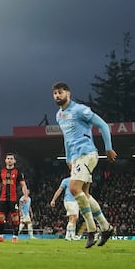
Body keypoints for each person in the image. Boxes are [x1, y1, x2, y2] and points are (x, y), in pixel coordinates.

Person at [52, 81, 117, 248]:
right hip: (76, 158)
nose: (57, 96)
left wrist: (108, 148)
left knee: (74, 189)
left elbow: (102, 124)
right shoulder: (59, 116)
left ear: (68, 93)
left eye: (60, 92)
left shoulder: (80, 110)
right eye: (55, 93)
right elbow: (67, 138)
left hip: (87, 154)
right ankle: (106, 227)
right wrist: (68, 159)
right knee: (85, 195)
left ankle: (91, 230)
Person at [0, 152, 28, 243]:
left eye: (11, 159)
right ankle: (0, 237)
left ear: (14, 161)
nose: (9, 160)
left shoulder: (18, 172)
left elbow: (23, 185)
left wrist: (25, 196)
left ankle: (15, 237)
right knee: (0, 217)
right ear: (5, 160)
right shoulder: (1, 172)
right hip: (3, 199)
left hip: (13, 198)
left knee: (15, 218)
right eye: (8, 158)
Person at [50, 176, 82, 241]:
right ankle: (67, 236)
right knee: (74, 217)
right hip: (69, 201)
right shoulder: (66, 180)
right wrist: (53, 200)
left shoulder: (79, 180)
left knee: (73, 219)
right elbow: (59, 190)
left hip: (76, 201)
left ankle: (72, 236)